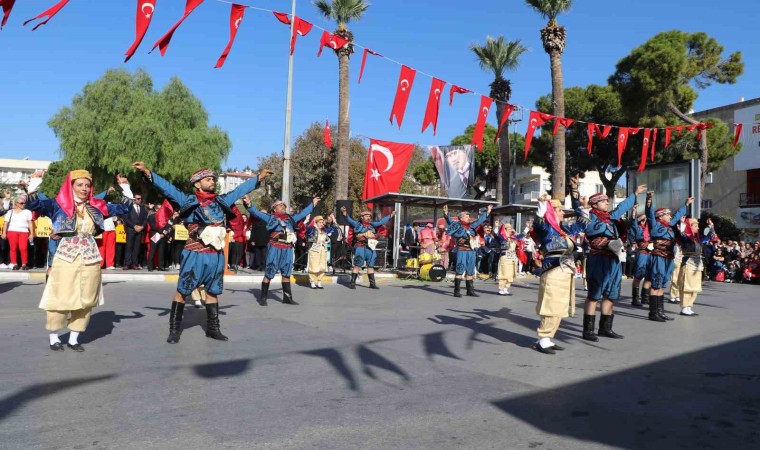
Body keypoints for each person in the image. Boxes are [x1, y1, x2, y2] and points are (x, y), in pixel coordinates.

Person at [132, 161, 271, 343]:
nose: (212, 181)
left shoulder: (221, 201)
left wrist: (258, 178)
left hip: (216, 255)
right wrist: (148, 172)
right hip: (194, 253)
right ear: (197, 184)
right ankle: (174, 329)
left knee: (212, 292)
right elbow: (168, 188)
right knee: (182, 291)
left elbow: (239, 191)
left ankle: (213, 329)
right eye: (208, 179)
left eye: (213, 179)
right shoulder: (188, 200)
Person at [24, 170, 133, 352]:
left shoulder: (97, 206)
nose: (84, 188)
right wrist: (34, 182)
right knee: (61, 295)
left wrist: (124, 186)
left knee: (86, 297)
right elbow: (32, 203)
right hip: (66, 255)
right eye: (80, 185)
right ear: (71, 186)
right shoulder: (57, 204)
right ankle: (54, 337)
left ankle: (74, 338)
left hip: (90, 256)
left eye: (87, 185)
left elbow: (124, 208)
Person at [575, 177, 646, 342]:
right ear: (594, 204)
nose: (607, 203)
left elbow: (622, 208)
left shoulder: (611, 217)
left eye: (607, 201)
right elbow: (586, 225)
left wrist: (634, 195)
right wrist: (580, 203)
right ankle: (588, 330)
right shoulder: (590, 216)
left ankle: (605, 328)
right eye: (603, 201)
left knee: (611, 294)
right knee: (594, 295)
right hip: (598, 258)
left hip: (613, 259)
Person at [531, 193, 586, 354]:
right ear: (551, 212)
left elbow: (582, 225)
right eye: (560, 210)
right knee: (551, 304)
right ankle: (543, 338)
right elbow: (538, 223)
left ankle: (548, 338)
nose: (563, 213)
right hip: (552, 270)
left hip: (565, 270)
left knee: (560, 304)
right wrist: (543, 205)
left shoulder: (563, 229)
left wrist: (581, 206)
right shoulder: (546, 228)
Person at [248, 197, 319, 305]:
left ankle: (287, 298)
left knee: (286, 273)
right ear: (274, 209)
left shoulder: (291, 218)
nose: (283, 207)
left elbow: (303, 213)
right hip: (274, 247)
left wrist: (312, 204)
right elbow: (255, 212)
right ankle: (263, 298)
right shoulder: (270, 217)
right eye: (280, 205)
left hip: (287, 248)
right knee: (269, 272)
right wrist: (249, 203)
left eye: (284, 205)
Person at [645, 191, 693, 322]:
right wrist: (649, 200)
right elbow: (649, 213)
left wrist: (686, 204)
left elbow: (677, 216)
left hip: (669, 257)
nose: (670, 216)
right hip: (659, 257)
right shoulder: (655, 224)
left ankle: (660, 311)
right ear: (660, 216)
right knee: (655, 284)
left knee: (662, 284)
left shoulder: (670, 227)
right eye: (667, 214)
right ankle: (653, 313)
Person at [442, 204, 492, 297]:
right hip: (462, 250)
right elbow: (449, 221)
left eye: (469, 216)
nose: (469, 218)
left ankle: (470, 291)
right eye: (467, 216)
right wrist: (446, 213)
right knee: (460, 270)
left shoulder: (471, 226)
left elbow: (479, 220)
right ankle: (457, 291)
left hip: (471, 251)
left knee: (470, 271)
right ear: (461, 218)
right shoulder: (456, 225)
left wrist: (488, 211)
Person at [341, 206, 395, 289]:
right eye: (366, 216)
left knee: (371, 266)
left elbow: (382, 221)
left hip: (370, 248)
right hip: (360, 247)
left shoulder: (373, 225)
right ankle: (352, 283)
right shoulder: (357, 224)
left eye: (369, 216)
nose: (368, 217)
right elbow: (349, 220)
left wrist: (391, 215)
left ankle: (372, 284)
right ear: (362, 217)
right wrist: (344, 213)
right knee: (357, 265)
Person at [676, 217, 715, 316]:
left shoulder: (698, 239)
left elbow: (711, 236)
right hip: (688, 264)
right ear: (690, 227)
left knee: (695, 287)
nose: (698, 228)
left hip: (698, 265)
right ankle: (684, 307)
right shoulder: (686, 238)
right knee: (686, 286)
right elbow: (682, 234)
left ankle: (689, 306)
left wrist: (711, 226)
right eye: (695, 226)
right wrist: (682, 223)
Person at [1, 195, 34, 270]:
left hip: (24, 231)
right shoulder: (10, 212)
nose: (23, 204)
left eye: (24, 203)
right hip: (12, 231)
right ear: (16, 203)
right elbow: (6, 223)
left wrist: (32, 233)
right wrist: (4, 233)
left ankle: (24, 264)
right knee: (13, 248)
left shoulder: (28, 212)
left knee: (23, 248)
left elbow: (30, 223)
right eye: (21, 203)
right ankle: (14, 263)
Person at [628, 207, 652, 307]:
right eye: (643, 220)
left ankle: (645, 297)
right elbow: (632, 222)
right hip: (641, 254)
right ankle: (635, 298)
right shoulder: (637, 228)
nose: (645, 221)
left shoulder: (650, 228)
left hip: (650, 253)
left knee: (649, 276)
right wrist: (633, 212)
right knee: (638, 276)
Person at [122, 192, 147, 270]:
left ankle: (134, 264)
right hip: (131, 230)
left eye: (140, 198)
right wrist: (134, 226)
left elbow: (145, 219)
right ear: (134, 199)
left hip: (139, 231)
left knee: (137, 248)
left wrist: (142, 226)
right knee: (129, 247)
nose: (139, 200)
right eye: (138, 198)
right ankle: (127, 264)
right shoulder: (128, 207)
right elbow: (126, 219)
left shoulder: (143, 208)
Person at [495, 223, 520, 295]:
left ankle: (506, 288)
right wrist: (496, 227)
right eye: (508, 228)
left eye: (510, 228)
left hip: (512, 257)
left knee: (511, 273)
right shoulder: (502, 237)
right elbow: (496, 235)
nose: (510, 230)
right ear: (505, 229)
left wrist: (527, 229)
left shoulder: (513, 237)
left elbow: (521, 236)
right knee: (504, 272)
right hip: (505, 256)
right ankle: (501, 289)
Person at [307, 214, 331, 289]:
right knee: (313, 266)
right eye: (320, 222)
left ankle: (319, 281)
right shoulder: (312, 230)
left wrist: (326, 242)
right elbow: (306, 229)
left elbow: (328, 238)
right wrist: (307, 220)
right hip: (314, 250)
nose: (321, 224)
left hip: (322, 250)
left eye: (322, 222)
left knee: (322, 266)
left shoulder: (324, 231)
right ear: (316, 223)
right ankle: (312, 282)